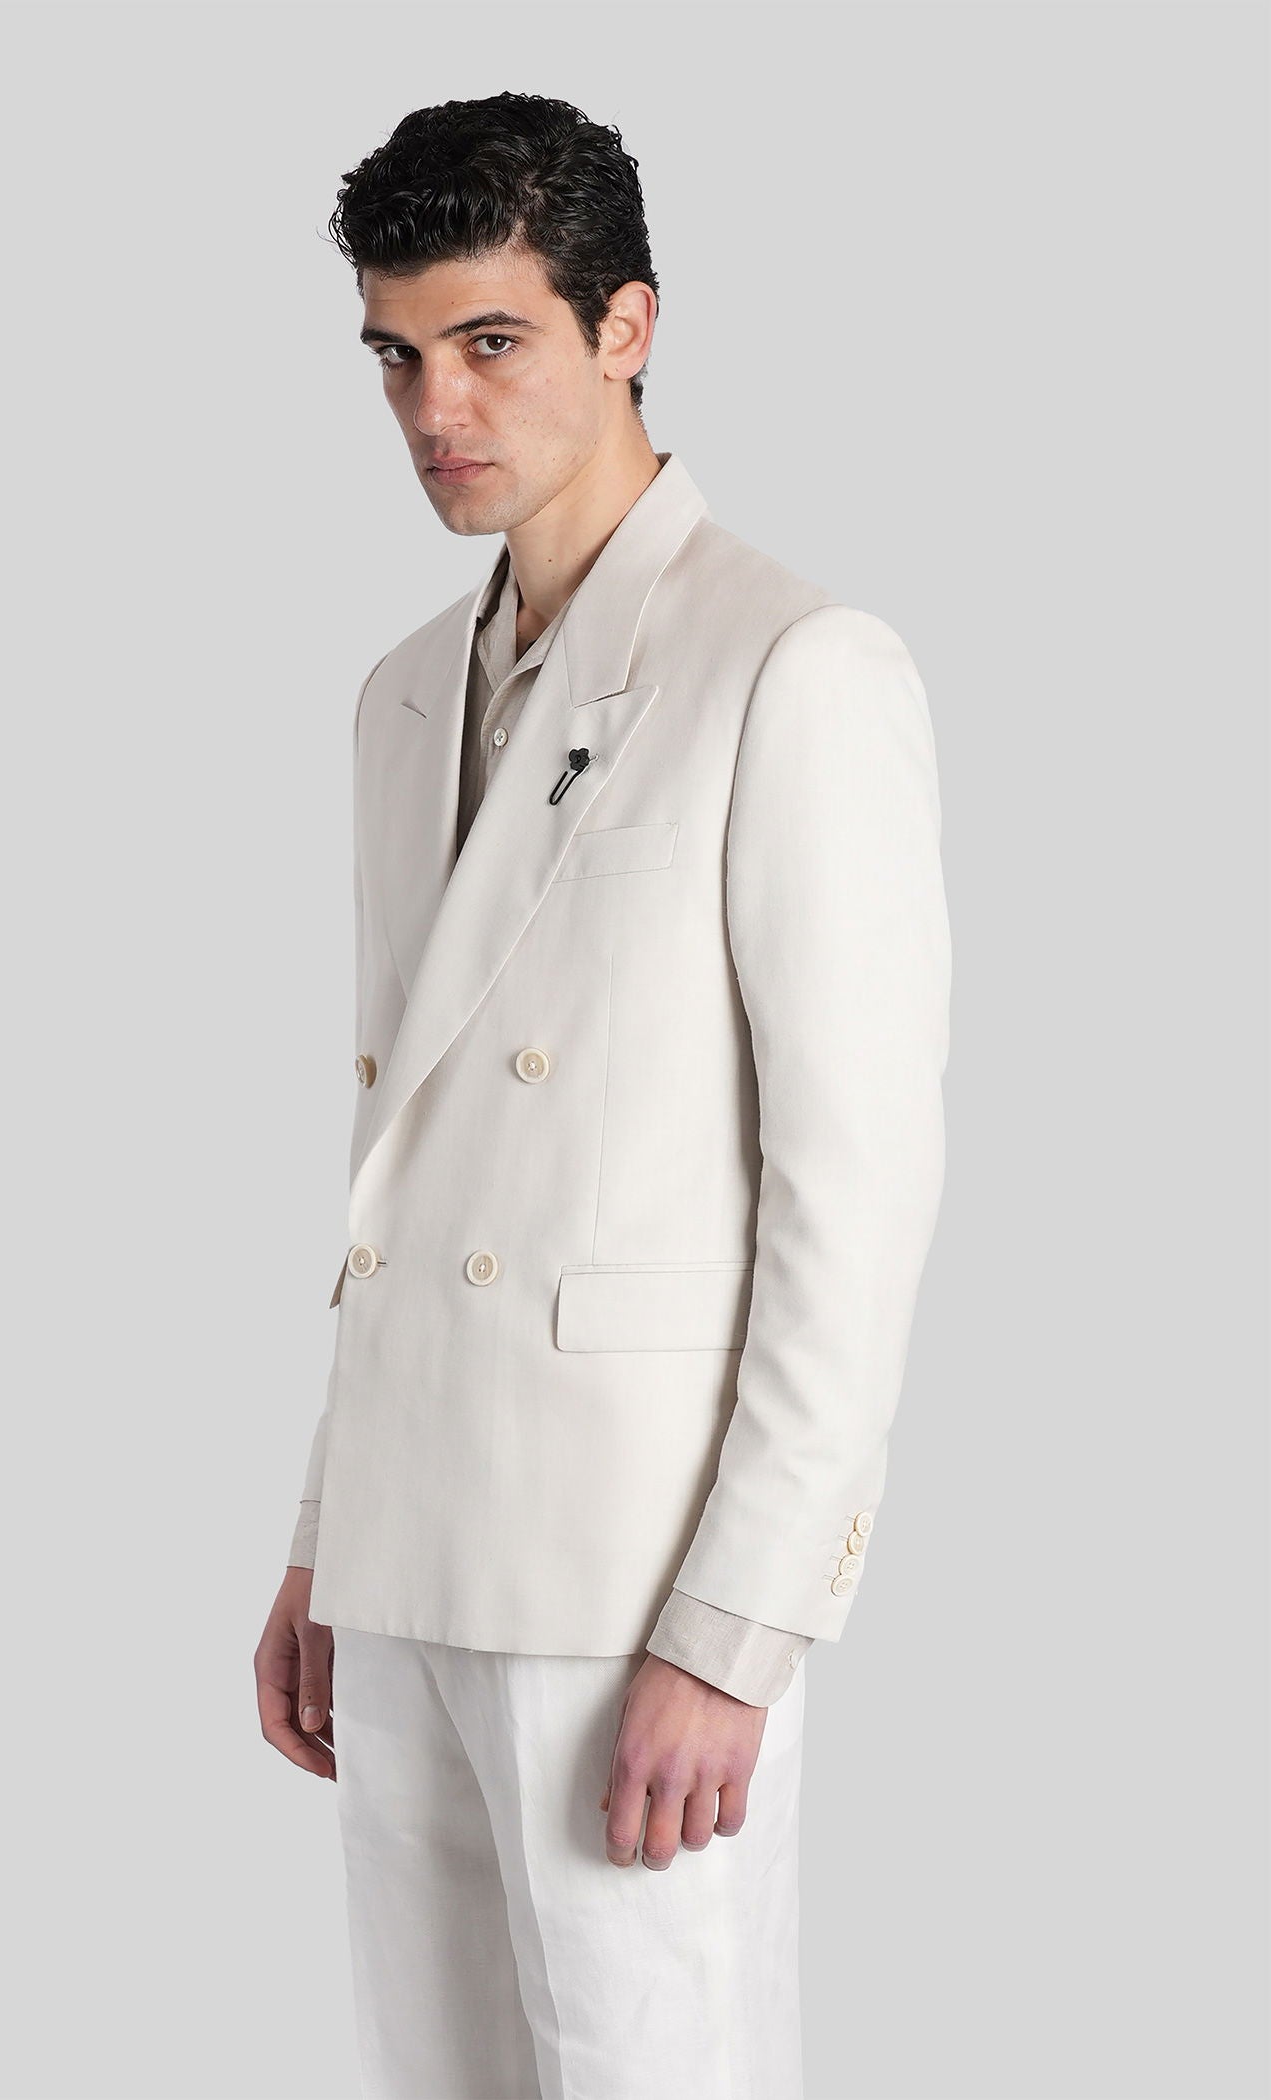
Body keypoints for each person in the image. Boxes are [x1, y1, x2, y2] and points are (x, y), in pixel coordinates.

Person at [254, 89, 951, 2099]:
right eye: (397, 356)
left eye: (491, 342)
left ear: (626, 325)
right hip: (411, 1553)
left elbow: (853, 1194)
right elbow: (402, 1159)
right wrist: (326, 1537)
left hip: (631, 1571)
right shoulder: (401, 694)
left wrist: (739, 1624)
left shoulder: (792, 665)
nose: (435, 410)